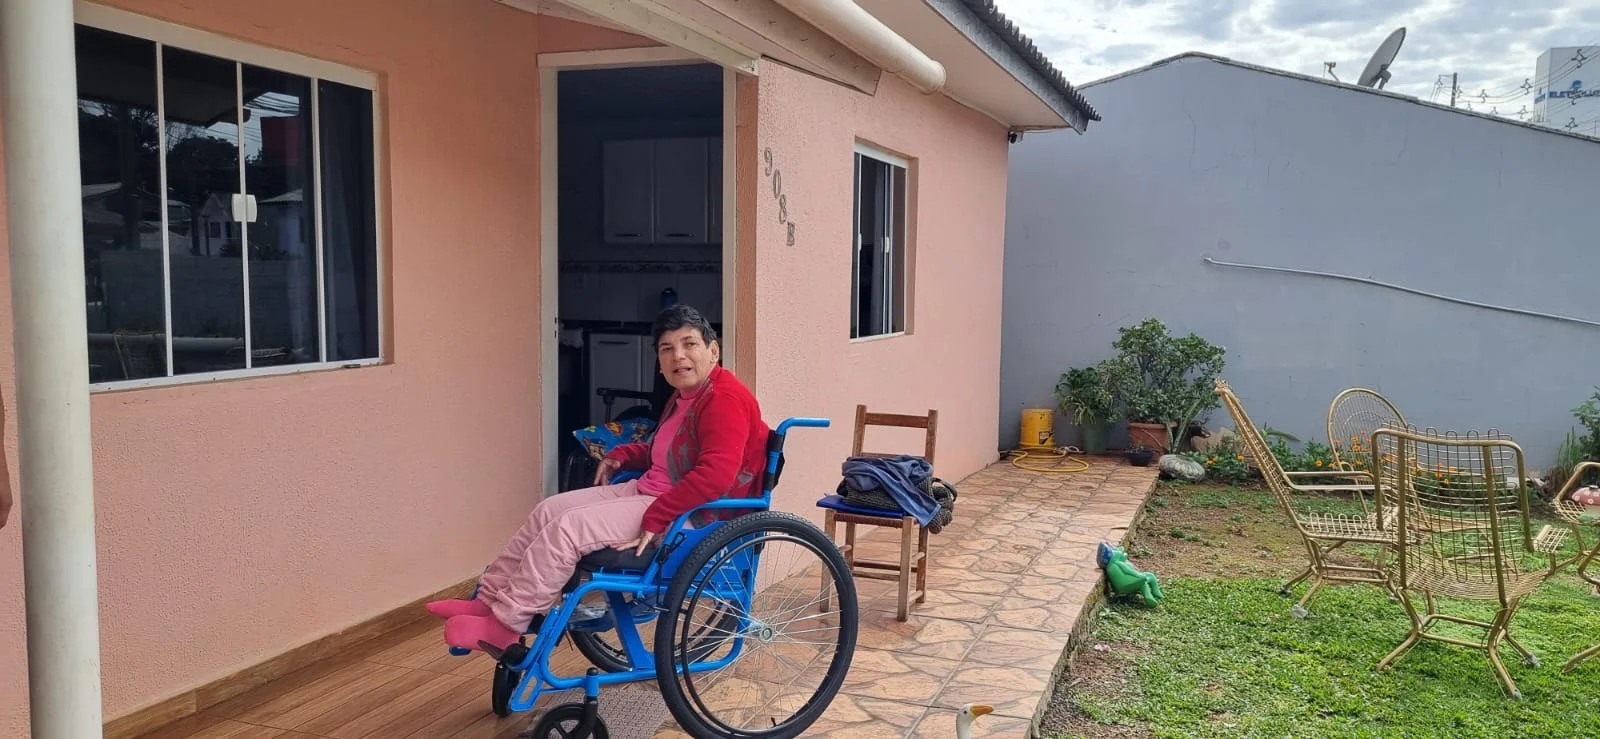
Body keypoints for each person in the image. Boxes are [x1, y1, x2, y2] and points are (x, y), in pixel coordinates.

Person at [426, 304, 769, 653]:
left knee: (568, 528)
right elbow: (666, 453)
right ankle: (487, 602)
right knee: (548, 510)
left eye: (689, 344)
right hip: (653, 493)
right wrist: (622, 455)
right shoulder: (686, 398)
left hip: (691, 514)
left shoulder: (724, 399)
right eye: (667, 348)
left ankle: (506, 625)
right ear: (659, 361)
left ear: (713, 351)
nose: (678, 355)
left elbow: (715, 476)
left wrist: (658, 515)